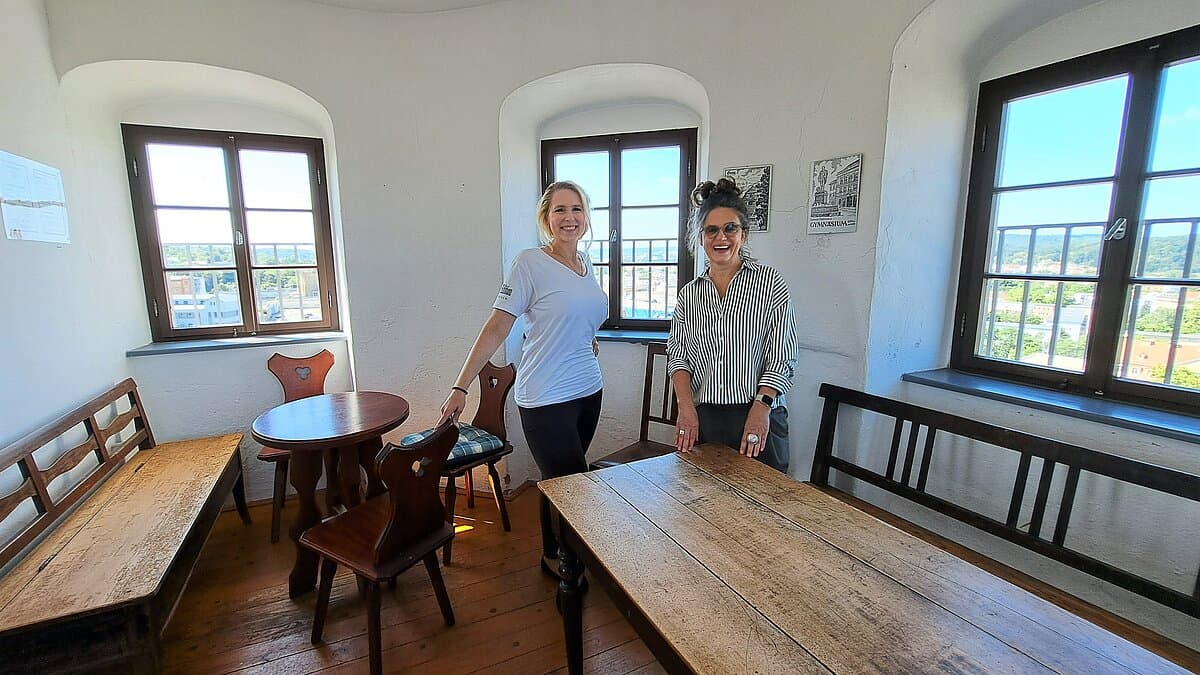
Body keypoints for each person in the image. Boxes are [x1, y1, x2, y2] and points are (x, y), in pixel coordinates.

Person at [438, 180, 607, 579]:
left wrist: (586, 337)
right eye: (560, 211)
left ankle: (555, 553)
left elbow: (577, 314)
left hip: (588, 389)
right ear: (546, 219)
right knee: (572, 484)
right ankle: (568, 567)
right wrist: (460, 386)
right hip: (545, 395)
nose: (569, 218)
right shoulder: (530, 263)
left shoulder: (587, 265)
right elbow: (498, 326)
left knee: (564, 480)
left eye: (576, 209)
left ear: (586, 217)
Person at [668, 178, 797, 473]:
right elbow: (677, 357)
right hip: (706, 418)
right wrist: (686, 409)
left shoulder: (770, 283)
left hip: (759, 411)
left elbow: (782, 355)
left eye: (730, 228)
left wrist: (761, 409)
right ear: (700, 238)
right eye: (711, 230)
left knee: (763, 506)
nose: (720, 237)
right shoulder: (689, 294)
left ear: (745, 235)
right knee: (704, 506)